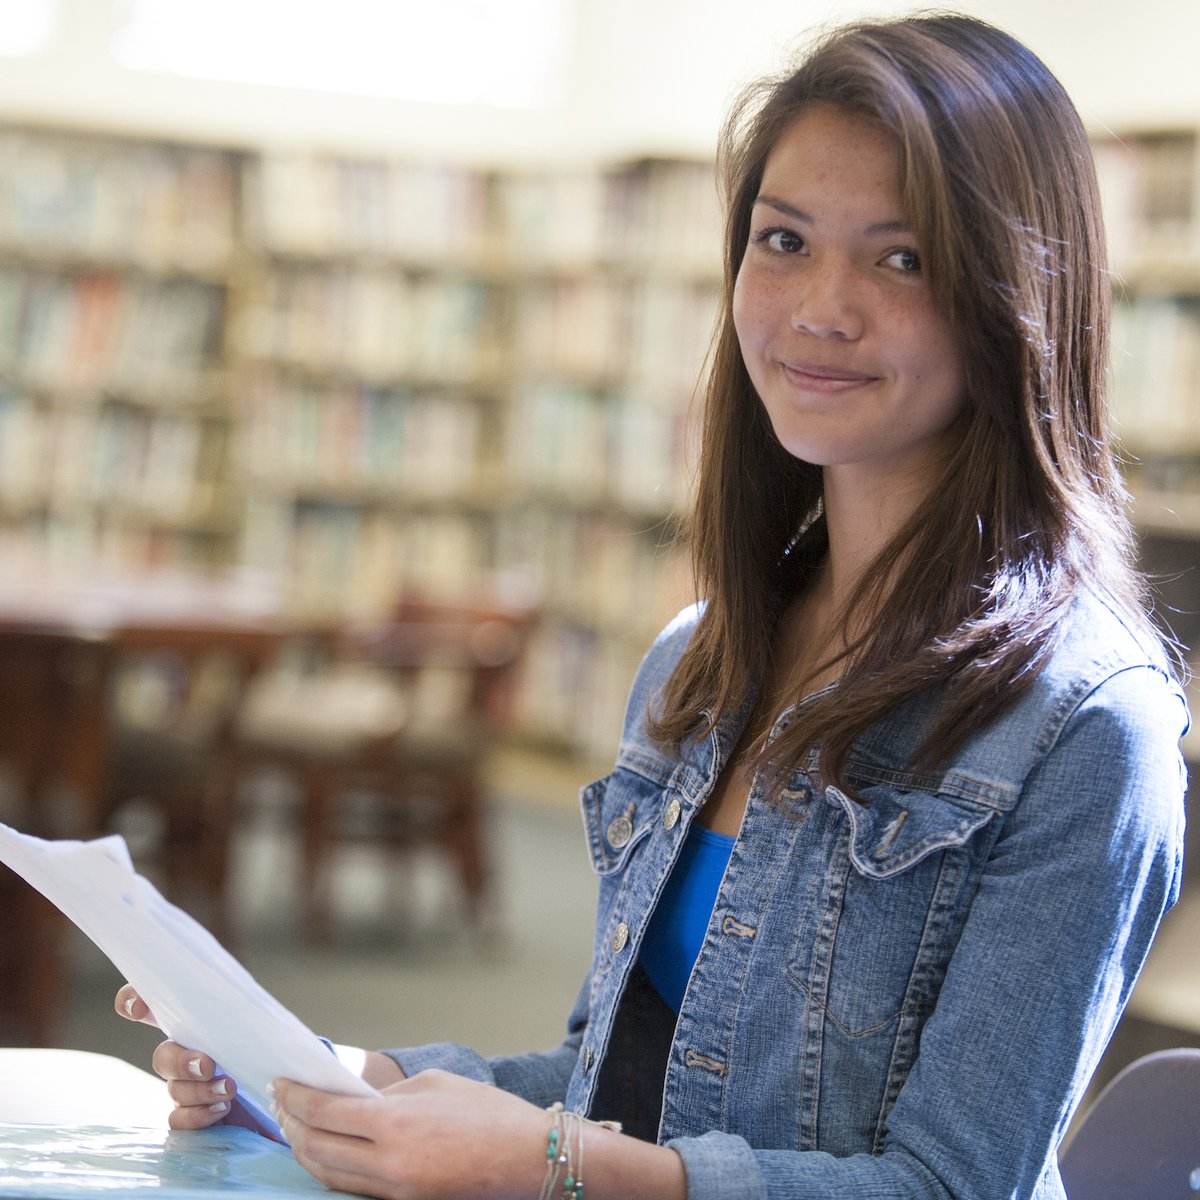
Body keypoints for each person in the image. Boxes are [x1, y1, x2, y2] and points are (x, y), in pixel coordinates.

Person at [115, 12, 1188, 1199]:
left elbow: (950, 1186)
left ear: (1017, 294)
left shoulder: (1087, 729)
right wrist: (338, 1076)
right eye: (783, 240)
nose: (820, 309)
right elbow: (612, 1089)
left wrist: (554, 1167)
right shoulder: (698, 662)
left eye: (903, 258)